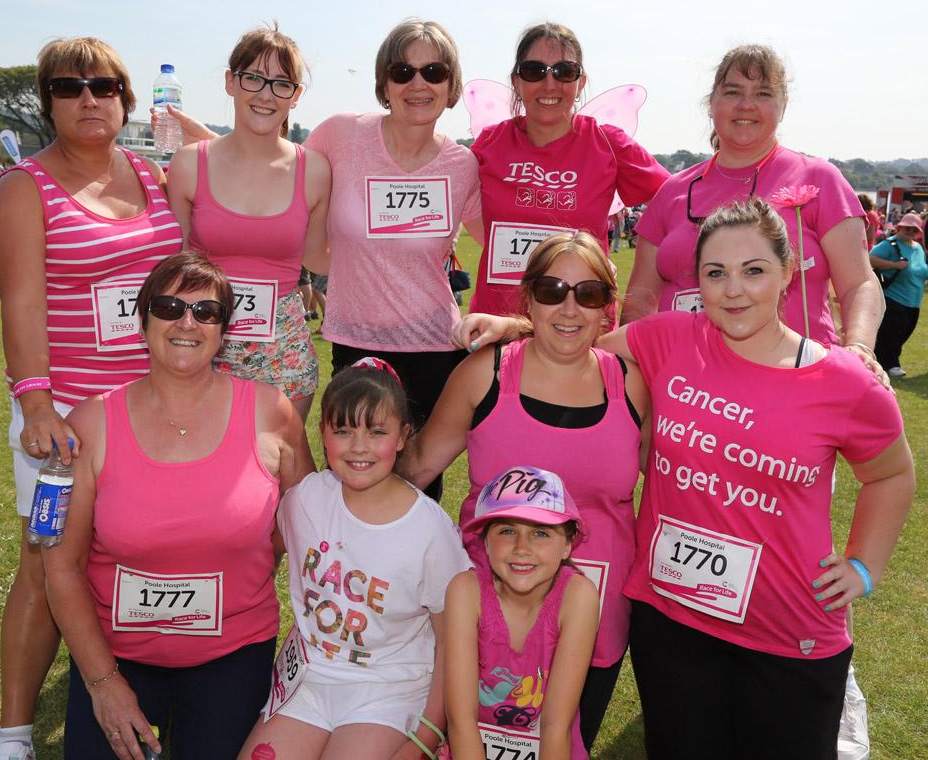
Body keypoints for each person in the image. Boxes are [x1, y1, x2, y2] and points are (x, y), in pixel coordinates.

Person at [458, 199, 915, 758]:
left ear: (787, 273)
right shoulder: (670, 337)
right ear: (697, 280)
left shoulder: (843, 381)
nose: (734, 290)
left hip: (786, 628)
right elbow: (572, 336)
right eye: (715, 273)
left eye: (754, 270)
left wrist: (864, 565)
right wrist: (513, 323)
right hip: (672, 621)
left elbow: (891, 474)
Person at [164, 19, 481, 502]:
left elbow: (501, 236)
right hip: (354, 342)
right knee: (352, 484)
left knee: (416, 490)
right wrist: (211, 143)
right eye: (402, 71)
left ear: (451, 85)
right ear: (384, 83)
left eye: (433, 71)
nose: (417, 83)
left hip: (434, 345)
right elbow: (272, 171)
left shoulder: (463, 166)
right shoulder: (340, 136)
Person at [0, 36, 183, 760]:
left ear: (127, 98)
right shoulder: (22, 187)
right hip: (65, 418)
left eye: (103, 84)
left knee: (134, 554)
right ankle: (12, 735)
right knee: (43, 560)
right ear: (49, 103)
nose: (89, 98)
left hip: (149, 413)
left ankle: (132, 689)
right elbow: (21, 305)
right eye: (69, 87)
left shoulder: (152, 175)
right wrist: (36, 405)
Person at [45, 251, 313, 759]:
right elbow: (61, 567)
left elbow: (308, 528)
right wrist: (103, 684)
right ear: (143, 319)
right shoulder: (89, 423)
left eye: (206, 312)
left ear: (223, 330)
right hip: (117, 658)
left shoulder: (271, 411)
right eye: (169, 307)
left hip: (234, 654)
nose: (187, 322)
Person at [401, 231, 646, 751]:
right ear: (528, 296)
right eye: (553, 289)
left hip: (594, 617)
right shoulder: (482, 374)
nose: (570, 307)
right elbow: (416, 469)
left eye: (589, 293)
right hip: (485, 618)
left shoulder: (631, 384)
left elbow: (673, 487)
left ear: (609, 306)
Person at [239, 358, 469, 760]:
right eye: (342, 430)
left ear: (402, 437)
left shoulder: (430, 530)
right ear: (322, 433)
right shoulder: (305, 500)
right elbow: (258, 546)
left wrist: (428, 733)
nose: (359, 447)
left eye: (376, 432)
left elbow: (454, 640)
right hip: (309, 680)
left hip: (388, 690)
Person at [619, 44, 882, 376]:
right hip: (686, 387)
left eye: (762, 93)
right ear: (711, 103)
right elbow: (639, 303)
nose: (746, 105)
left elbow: (859, 283)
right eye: (732, 92)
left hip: (796, 382)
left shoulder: (819, 180)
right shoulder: (672, 191)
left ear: (782, 105)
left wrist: (858, 346)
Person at [166, 25, 330, 419]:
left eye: (281, 84)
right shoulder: (189, 165)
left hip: (283, 357)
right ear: (231, 82)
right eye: (254, 78)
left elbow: (321, 261)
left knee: (277, 474)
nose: (266, 94)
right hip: (202, 345)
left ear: (296, 96)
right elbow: (171, 265)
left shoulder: (315, 171)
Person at [469, 22, 668, 318]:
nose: (550, 85)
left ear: (581, 82)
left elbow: (679, 206)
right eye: (535, 71)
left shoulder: (608, 143)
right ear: (516, 81)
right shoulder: (490, 143)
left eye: (564, 71)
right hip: (496, 332)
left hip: (580, 332)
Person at [445, 466, 600, 760]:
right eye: (507, 531)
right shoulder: (465, 591)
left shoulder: (578, 597)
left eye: (541, 533)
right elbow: (461, 720)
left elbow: (556, 726)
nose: (521, 548)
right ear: (485, 540)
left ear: (567, 544)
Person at [870, 213, 928, 377]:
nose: (910, 232)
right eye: (907, 228)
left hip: (913, 301)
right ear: (899, 228)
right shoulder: (889, 245)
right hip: (893, 298)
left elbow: (923, 271)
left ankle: (882, 361)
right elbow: (869, 258)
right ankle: (891, 364)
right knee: (891, 333)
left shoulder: (918, 248)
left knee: (904, 332)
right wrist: (894, 265)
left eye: (914, 230)